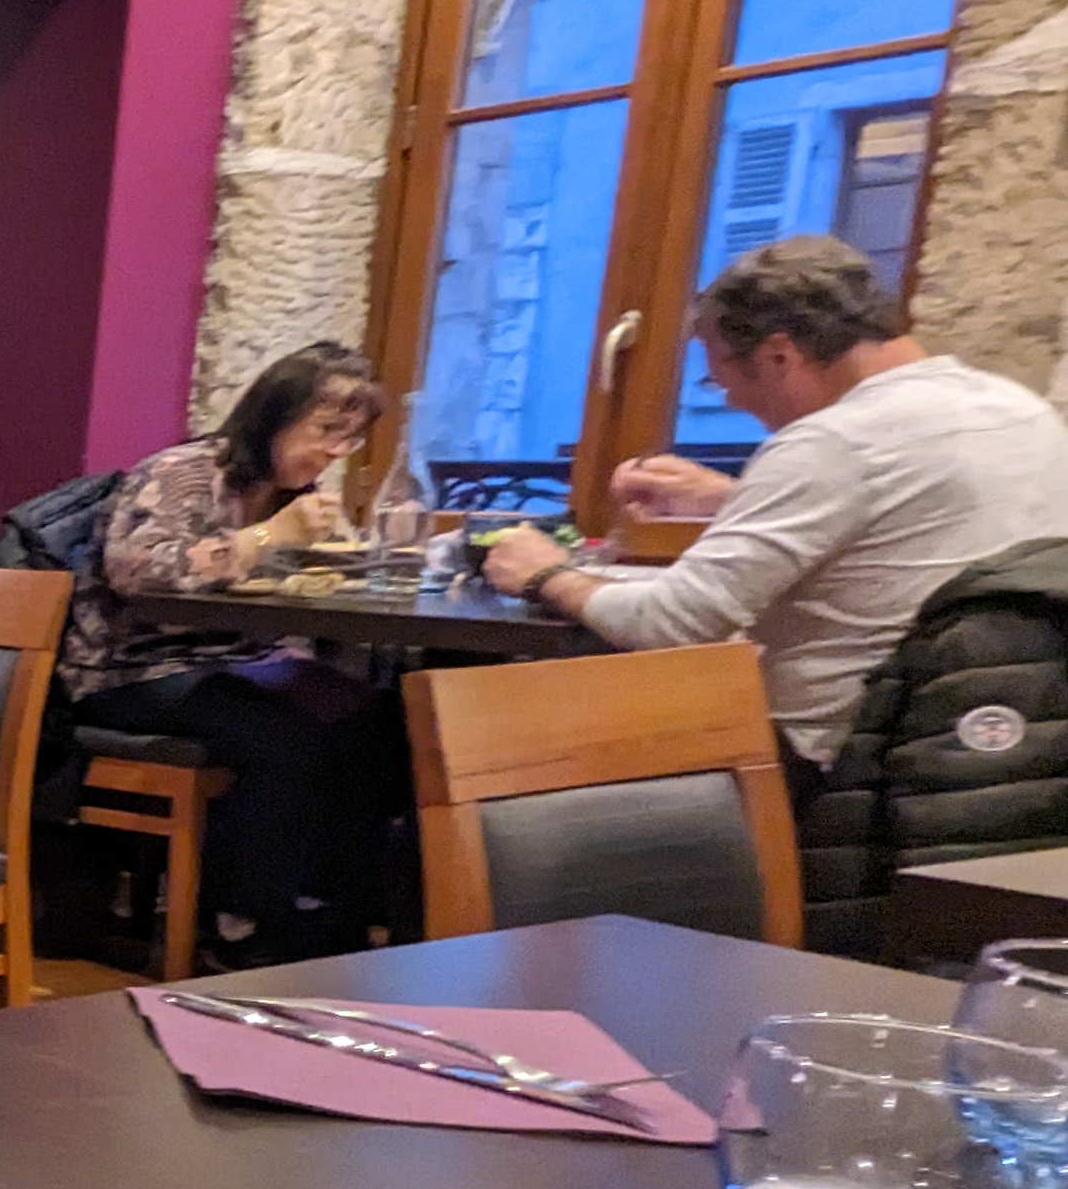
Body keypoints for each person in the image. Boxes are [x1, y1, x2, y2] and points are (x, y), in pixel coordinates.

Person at [480, 237, 1068, 808]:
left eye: (722, 380)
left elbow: (671, 623)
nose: (732, 401)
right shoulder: (1018, 410)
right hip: (999, 749)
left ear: (779, 356)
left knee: (504, 751)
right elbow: (901, 520)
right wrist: (732, 499)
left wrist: (546, 574)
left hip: (829, 767)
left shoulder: (834, 441)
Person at [63, 340, 414, 960]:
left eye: (351, 438)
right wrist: (268, 537)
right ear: (274, 416)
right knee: (284, 738)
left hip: (238, 661)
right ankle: (240, 924)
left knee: (383, 722)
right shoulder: (184, 472)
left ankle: (340, 920)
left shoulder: (295, 492)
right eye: (326, 431)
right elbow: (137, 571)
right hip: (130, 668)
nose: (337, 451)